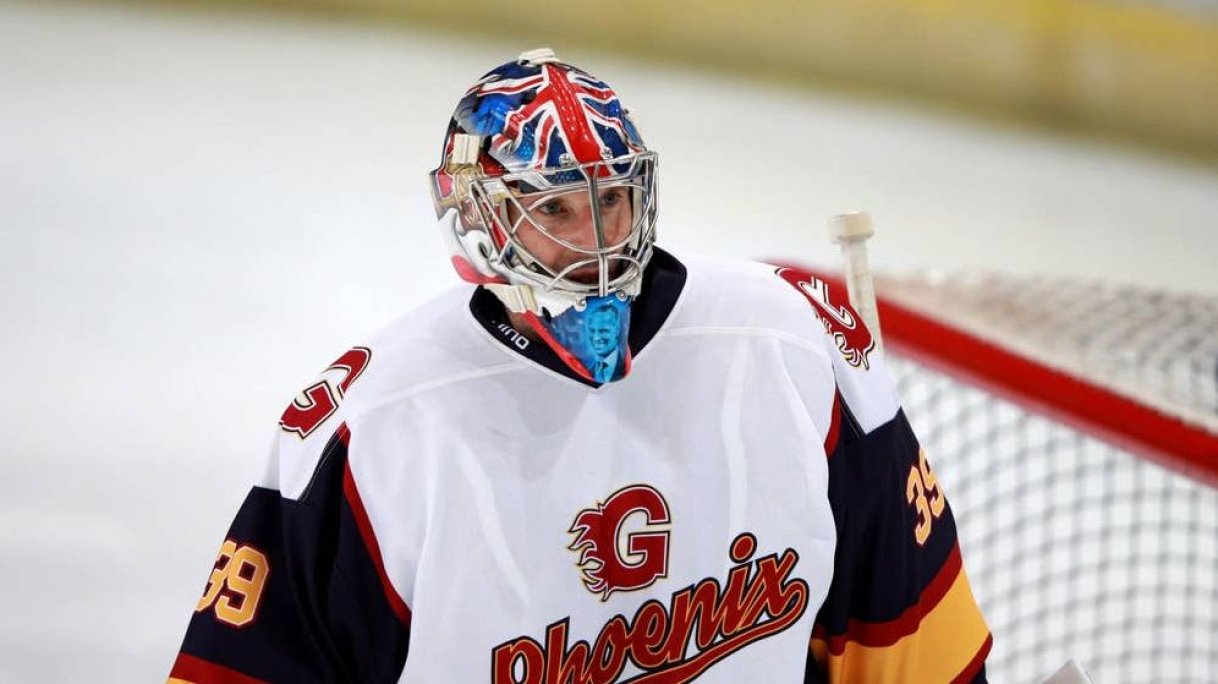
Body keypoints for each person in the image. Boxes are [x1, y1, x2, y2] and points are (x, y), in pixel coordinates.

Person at [169, 48, 991, 683]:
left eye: (608, 200)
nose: (595, 243)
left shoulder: (789, 344)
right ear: (481, 220)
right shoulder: (375, 428)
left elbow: (910, 630)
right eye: (553, 209)